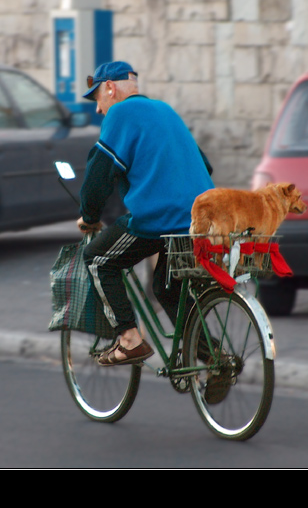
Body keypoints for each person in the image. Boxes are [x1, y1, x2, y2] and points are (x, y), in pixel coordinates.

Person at [78, 61, 214, 366]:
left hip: (159, 219)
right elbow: (205, 165)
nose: (98, 109)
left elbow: (98, 177)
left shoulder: (120, 113)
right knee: (167, 286)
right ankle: (212, 355)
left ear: (110, 88)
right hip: (201, 218)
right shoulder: (165, 110)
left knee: (98, 259)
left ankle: (129, 340)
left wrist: (89, 216)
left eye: (97, 97)